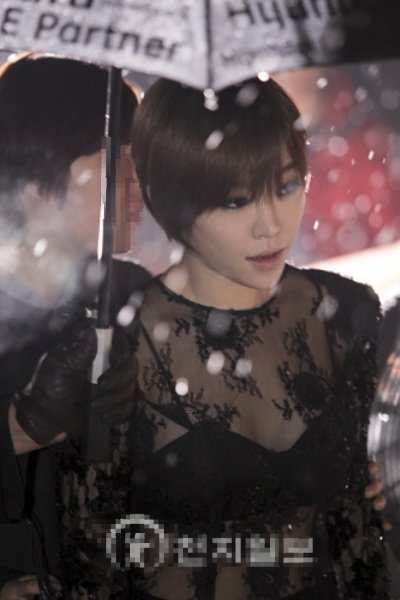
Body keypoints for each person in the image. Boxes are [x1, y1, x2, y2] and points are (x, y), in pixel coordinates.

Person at [60, 77, 390, 599]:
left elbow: (358, 539)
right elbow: (94, 560)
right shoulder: (118, 342)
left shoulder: (346, 315)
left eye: (286, 186)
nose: (270, 225)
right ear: (170, 199)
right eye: (236, 201)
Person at [0, 53, 142, 599]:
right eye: (114, 165)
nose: (137, 186)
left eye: (138, 162)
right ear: (37, 185)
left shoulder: (135, 297)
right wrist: (22, 427)